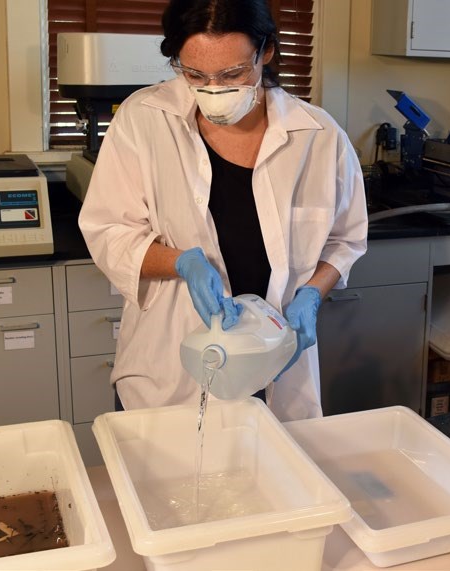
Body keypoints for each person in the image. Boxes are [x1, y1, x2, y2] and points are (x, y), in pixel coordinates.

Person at [78, 0, 367, 422]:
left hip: (275, 365)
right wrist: (181, 262)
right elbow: (108, 230)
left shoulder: (319, 137)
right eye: (194, 73)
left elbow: (346, 239)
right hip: (171, 373)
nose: (213, 87)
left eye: (233, 74)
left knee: (272, 478)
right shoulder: (144, 120)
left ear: (265, 52)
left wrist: (311, 293)